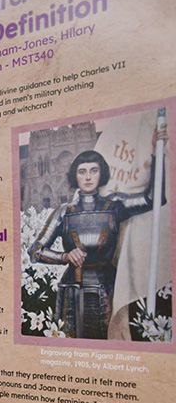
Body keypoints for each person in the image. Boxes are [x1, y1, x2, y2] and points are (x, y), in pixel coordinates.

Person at [28, 143, 165, 339]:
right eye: (82, 172)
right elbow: (35, 251)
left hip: (108, 288)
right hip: (72, 290)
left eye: (94, 170)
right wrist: (65, 256)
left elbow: (153, 198)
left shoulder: (114, 206)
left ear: (102, 174)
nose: (88, 177)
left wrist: (156, 153)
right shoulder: (64, 212)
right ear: (75, 176)